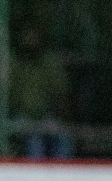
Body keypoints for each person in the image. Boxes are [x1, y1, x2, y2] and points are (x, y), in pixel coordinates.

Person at [11, 24, 73, 160]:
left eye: (34, 35)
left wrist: (60, 115)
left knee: (64, 138)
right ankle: (34, 177)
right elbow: (8, 97)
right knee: (35, 141)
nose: (31, 39)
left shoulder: (49, 62)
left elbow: (61, 94)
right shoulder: (17, 63)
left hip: (46, 117)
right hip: (22, 118)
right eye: (27, 36)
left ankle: (63, 175)